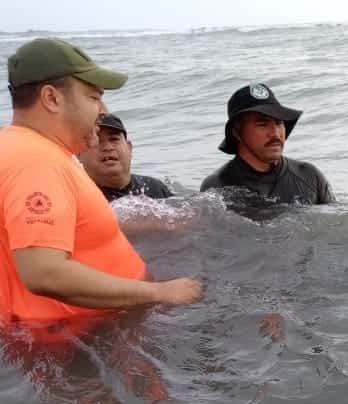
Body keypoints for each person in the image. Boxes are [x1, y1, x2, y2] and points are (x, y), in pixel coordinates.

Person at [1, 38, 202, 329]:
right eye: (93, 97)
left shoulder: (23, 147)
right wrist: (160, 292)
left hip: (90, 326)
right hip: (81, 337)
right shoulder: (36, 162)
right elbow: (44, 272)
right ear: (52, 98)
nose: (104, 110)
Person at [200, 83, 335, 205]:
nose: (275, 133)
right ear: (236, 132)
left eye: (279, 123)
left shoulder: (310, 176)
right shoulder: (217, 188)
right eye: (262, 124)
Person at [78, 113, 173, 201]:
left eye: (114, 139)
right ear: (78, 154)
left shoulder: (155, 188)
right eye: (97, 140)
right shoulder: (79, 198)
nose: (107, 147)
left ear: (129, 148)